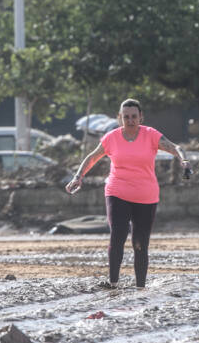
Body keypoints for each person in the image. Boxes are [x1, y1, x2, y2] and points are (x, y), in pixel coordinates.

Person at [66, 98, 189, 288]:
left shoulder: (151, 135)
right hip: (117, 191)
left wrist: (184, 161)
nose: (130, 120)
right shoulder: (111, 138)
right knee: (118, 234)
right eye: (126, 117)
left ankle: (140, 287)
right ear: (119, 118)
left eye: (134, 116)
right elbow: (92, 157)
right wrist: (78, 176)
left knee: (140, 243)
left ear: (141, 117)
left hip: (145, 196)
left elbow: (175, 148)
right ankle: (113, 283)